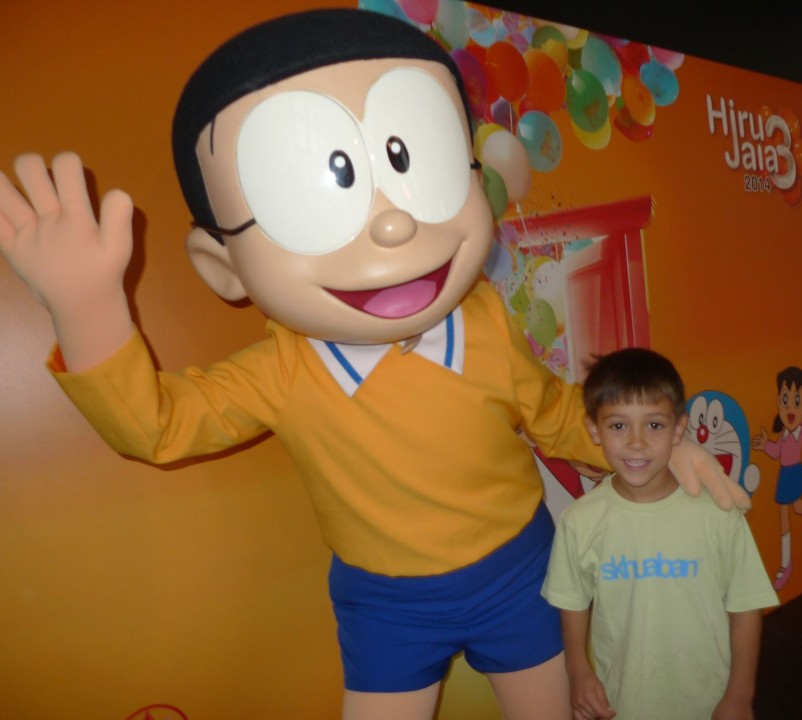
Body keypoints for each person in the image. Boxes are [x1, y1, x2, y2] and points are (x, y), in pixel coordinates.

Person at [0, 10, 749, 720]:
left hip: (517, 574)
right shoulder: (281, 373)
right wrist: (89, 315)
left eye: (419, 166)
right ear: (221, 265)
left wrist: (664, 448)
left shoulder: (483, 319)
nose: (392, 223)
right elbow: (158, 427)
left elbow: (556, 414)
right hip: (388, 604)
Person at [543, 348, 778, 720]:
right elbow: (572, 602)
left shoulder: (718, 515)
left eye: (654, 425)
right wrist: (578, 671)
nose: (636, 442)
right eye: (618, 426)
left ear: (679, 429)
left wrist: (740, 695)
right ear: (594, 429)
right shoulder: (579, 521)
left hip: (708, 702)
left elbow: (746, 605)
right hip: (623, 703)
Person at [751, 366, 802, 590]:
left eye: (796, 401)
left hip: (795, 473)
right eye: (785, 400)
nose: (790, 408)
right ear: (778, 402)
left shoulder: (800, 431)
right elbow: (776, 452)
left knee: (793, 509)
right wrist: (764, 445)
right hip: (785, 475)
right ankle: (787, 561)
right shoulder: (784, 435)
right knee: (789, 513)